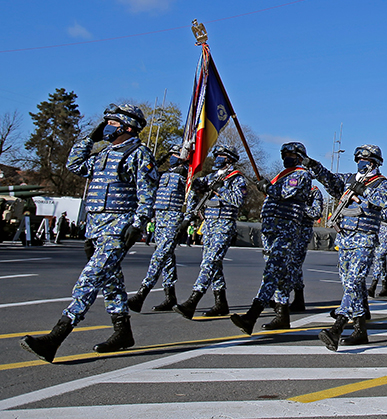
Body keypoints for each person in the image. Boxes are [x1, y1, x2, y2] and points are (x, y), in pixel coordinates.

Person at [21, 104, 157, 363]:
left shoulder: (139, 154)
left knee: (90, 279)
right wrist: (89, 139)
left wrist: (137, 225)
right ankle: (123, 332)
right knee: (111, 281)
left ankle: (55, 338)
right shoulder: (103, 153)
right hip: (96, 228)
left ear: (127, 127)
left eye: (111, 122)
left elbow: (147, 194)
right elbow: (74, 165)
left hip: (118, 227)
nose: (106, 126)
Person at [305, 145, 387, 351]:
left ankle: (338, 326)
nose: (361, 163)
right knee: (351, 284)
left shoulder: (382, 183)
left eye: (366, 160)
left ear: (375, 162)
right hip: (345, 238)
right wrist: (314, 166)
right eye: (359, 159)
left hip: (364, 238)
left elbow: (384, 200)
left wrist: (363, 190)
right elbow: (330, 180)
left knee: (355, 281)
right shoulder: (348, 179)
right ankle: (360, 330)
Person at [231, 142, 313, 334]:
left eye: (290, 154)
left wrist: (267, 187)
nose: (286, 157)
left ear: (300, 157)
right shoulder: (281, 177)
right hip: (271, 229)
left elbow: (285, 193)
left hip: (286, 229)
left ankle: (252, 315)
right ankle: (282, 316)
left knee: (272, 272)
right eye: (283, 154)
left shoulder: (301, 175)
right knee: (281, 276)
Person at [174, 145, 247, 319]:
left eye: (221, 155)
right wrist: (192, 180)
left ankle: (193, 300)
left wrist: (220, 189)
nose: (217, 158)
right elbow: (196, 189)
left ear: (229, 158)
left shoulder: (236, 178)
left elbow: (238, 200)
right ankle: (220, 302)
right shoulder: (211, 176)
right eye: (216, 155)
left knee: (210, 262)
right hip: (208, 224)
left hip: (224, 224)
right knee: (213, 265)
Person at [127, 145, 189, 313]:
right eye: (171, 154)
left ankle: (142, 292)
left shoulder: (186, 175)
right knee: (167, 259)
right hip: (160, 218)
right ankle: (170, 297)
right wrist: (157, 161)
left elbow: (191, 199)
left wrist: (187, 220)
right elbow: (146, 173)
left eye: (175, 154)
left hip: (173, 218)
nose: (172, 157)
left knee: (159, 256)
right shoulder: (164, 174)